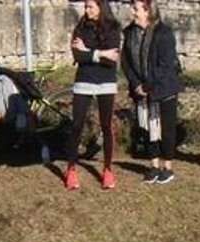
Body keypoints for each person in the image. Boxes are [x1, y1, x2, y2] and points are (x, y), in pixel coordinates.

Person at [121, 0, 182, 185]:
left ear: (147, 11)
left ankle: (168, 167)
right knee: (147, 128)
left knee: (166, 129)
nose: (132, 12)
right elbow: (126, 62)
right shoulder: (130, 33)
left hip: (163, 88)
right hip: (141, 90)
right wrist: (136, 83)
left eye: (136, 8)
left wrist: (148, 85)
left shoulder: (163, 33)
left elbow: (165, 65)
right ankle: (154, 165)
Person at [63, 0, 122, 191]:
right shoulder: (81, 27)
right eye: (85, 7)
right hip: (84, 81)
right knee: (76, 125)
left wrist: (88, 51)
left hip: (106, 83)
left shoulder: (113, 28)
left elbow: (112, 60)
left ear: (101, 7)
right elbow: (77, 56)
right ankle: (71, 169)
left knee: (106, 126)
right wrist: (100, 53)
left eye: (91, 7)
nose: (87, 11)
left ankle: (107, 169)